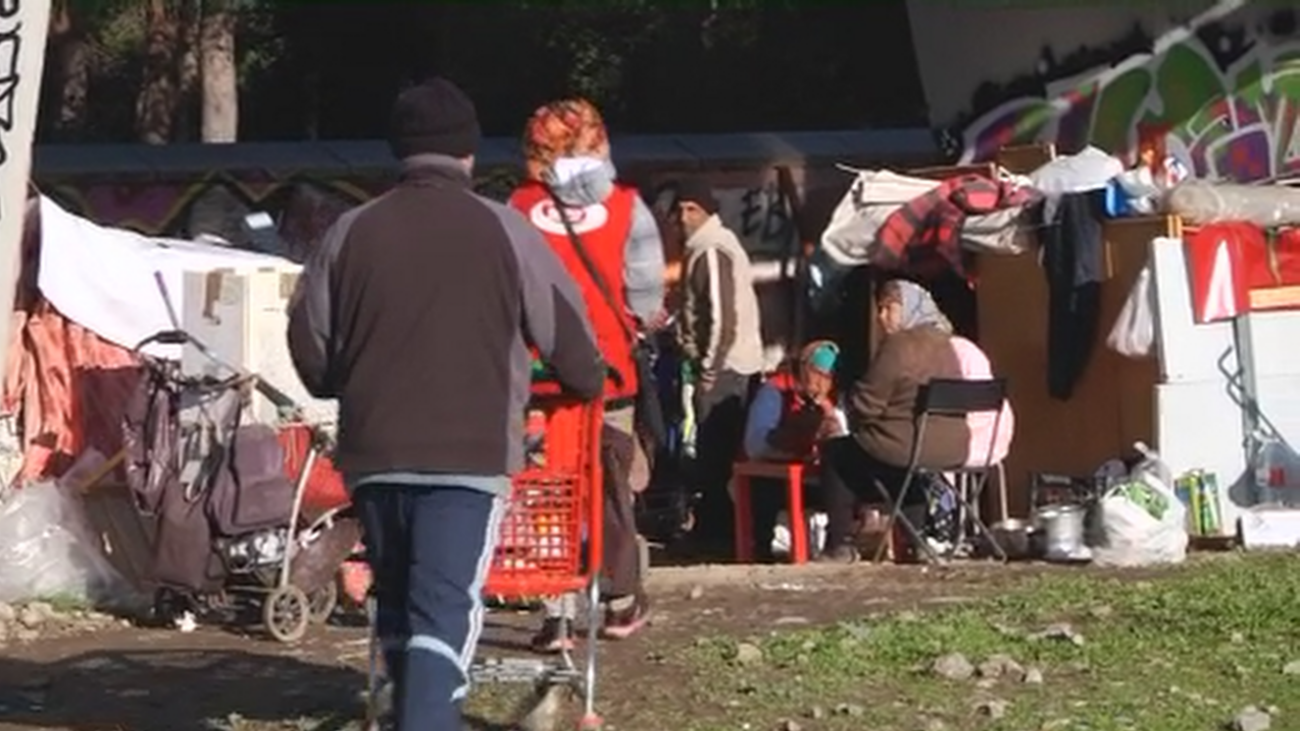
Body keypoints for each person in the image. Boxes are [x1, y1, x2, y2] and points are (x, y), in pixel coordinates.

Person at [286, 77, 605, 731]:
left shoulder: (351, 232)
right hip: (468, 454)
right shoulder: (505, 231)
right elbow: (576, 350)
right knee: (443, 608)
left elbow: (311, 350)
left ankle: (417, 713)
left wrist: (352, 375)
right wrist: (582, 380)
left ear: (398, 152)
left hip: (375, 455)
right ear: (468, 153)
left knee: (401, 601)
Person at [508, 98, 665, 650]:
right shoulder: (630, 209)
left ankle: (556, 615)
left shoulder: (520, 206)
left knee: (548, 491)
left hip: (537, 380)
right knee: (608, 485)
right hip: (608, 380)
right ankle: (620, 601)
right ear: (599, 142)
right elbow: (646, 301)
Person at [816, 279, 972, 563]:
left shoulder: (899, 346)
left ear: (909, 307)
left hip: (908, 446)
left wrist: (850, 410)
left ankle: (838, 543)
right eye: (880, 309)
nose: (881, 317)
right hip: (955, 448)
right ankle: (916, 541)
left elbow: (866, 403)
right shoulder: (947, 344)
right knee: (895, 459)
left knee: (837, 451)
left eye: (889, 308)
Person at [675, 178, 766, 554]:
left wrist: (709, 367)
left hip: (727, 369)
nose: (683, 217)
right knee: (719, 455)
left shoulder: (712, 250)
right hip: (729, 366)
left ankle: (718, 534)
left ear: (707, 211)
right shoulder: (708, 248)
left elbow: (721, 315)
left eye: (691, 208)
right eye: (680, 209)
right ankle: (720, 530)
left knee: (715, 456)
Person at [740, 339, 846, 560]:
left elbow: (842, 439)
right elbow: (755, 445)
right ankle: (760, 549)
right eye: (816, 374)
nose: (820, 383)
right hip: (774, 477)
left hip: (815, 479)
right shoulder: (774, 392)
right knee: (764, 485)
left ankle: (837, 544)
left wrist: (829, 421)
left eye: (827, 377)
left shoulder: (830, 402)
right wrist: (794, 433)